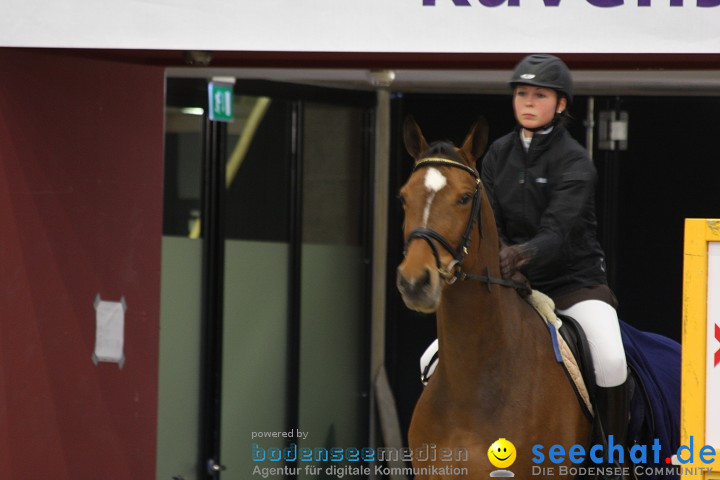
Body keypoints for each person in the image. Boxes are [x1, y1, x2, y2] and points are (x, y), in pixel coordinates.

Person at [480, 54, 628, 478]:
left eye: (539, 95)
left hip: (574, 284)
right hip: (514, 286)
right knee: (430, 357)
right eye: (522, 94)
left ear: (560, 104)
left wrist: (517, 257)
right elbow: (488, 218)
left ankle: (611, 460)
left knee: (611, 359)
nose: (528, 102)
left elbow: (558, 232)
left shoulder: (575, 160)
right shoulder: (496, 154)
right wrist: (504, 260)